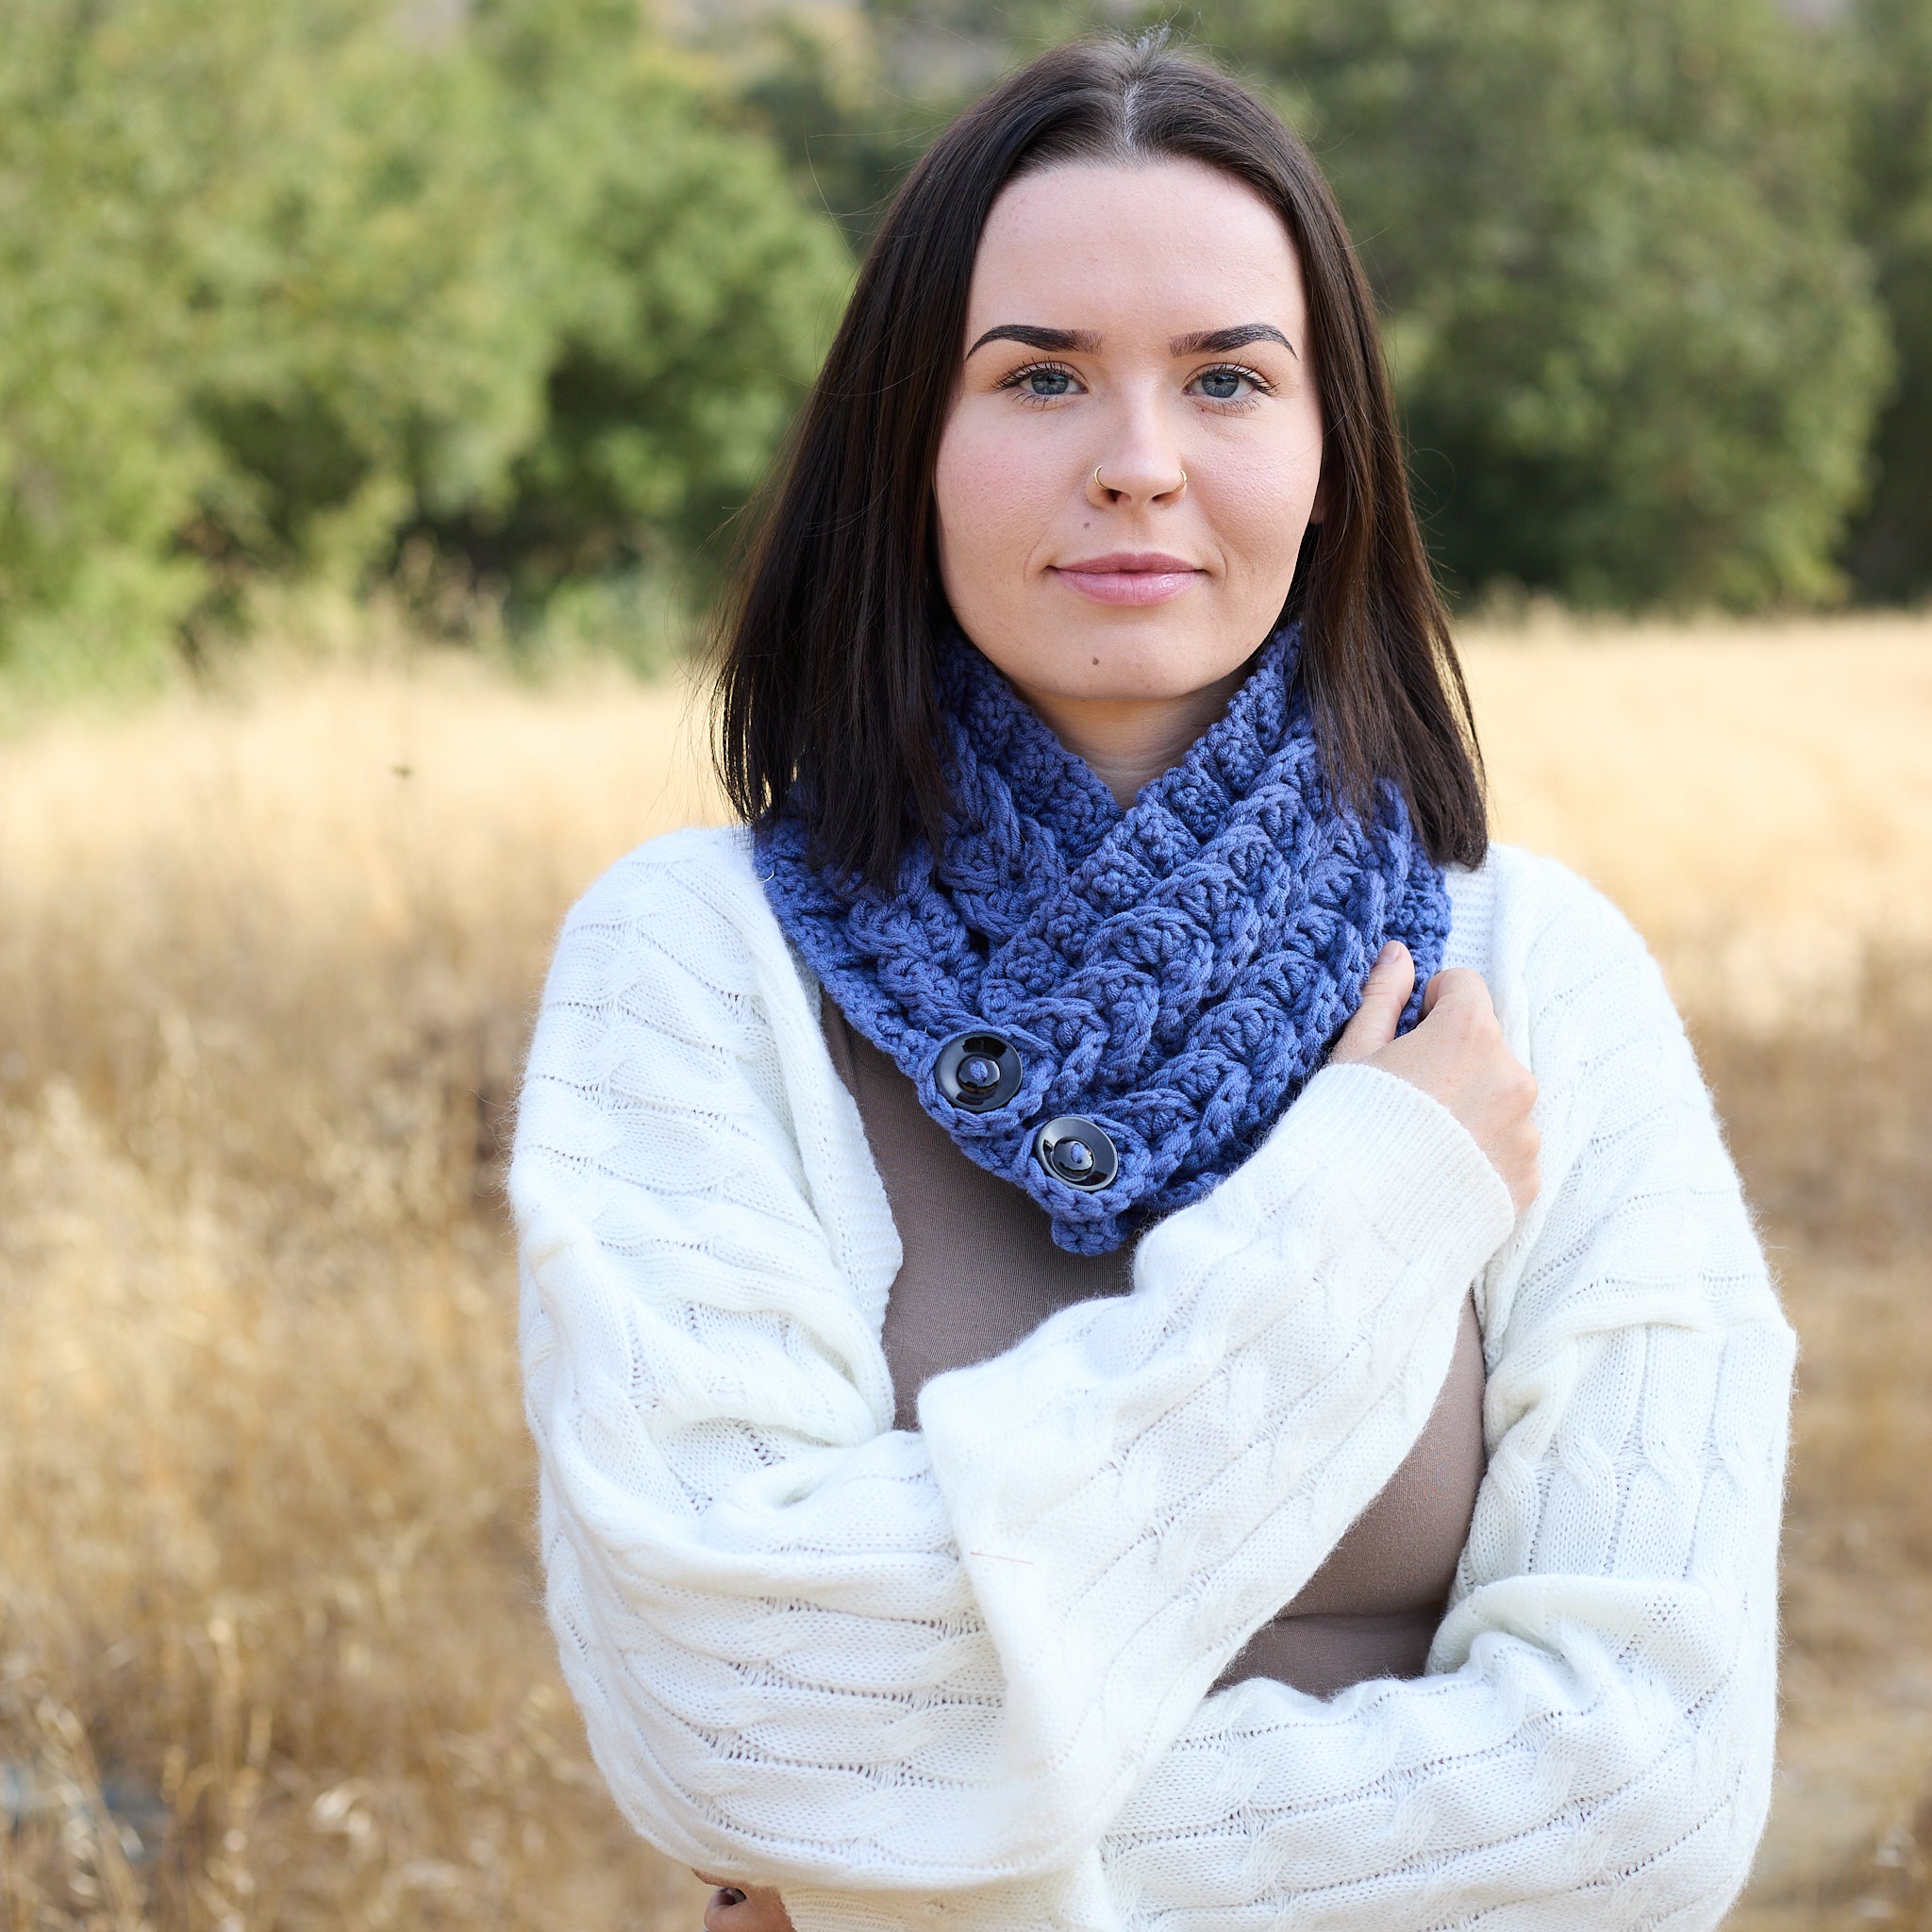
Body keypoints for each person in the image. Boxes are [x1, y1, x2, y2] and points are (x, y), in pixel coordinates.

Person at [510, 34, 1795, 1932]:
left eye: (1224, 379)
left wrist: (913, 1893)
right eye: (1038, 375)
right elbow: (736, 1711)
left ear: (1327, 451)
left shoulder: (1534, 975)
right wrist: (1356, 1217)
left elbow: (1633, 1799)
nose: (1137, 461)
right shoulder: (695, 962)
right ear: (908, 447)